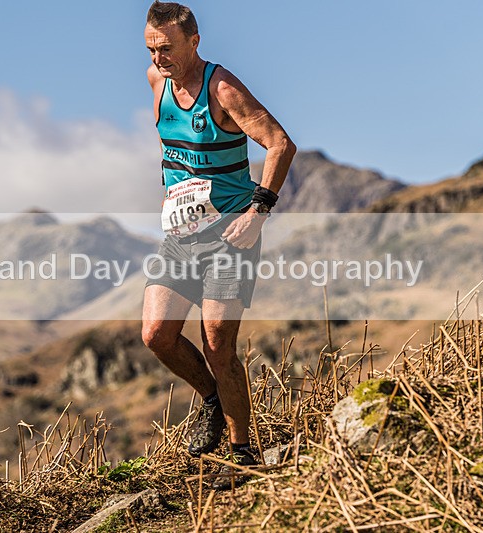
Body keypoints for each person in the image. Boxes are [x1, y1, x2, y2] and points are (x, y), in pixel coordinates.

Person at [141, 1, 296, 489]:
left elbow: (279, 143)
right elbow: (171, 147)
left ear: (194, 42)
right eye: (150, 49)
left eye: (166, 48)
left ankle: (241, 453)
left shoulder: (222, 89)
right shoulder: (156, 81)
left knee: (217, 342)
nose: (158, 58)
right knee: (156, 335)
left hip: (230, 233)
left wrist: (258, 211)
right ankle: (210, 399)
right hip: (181, 234)